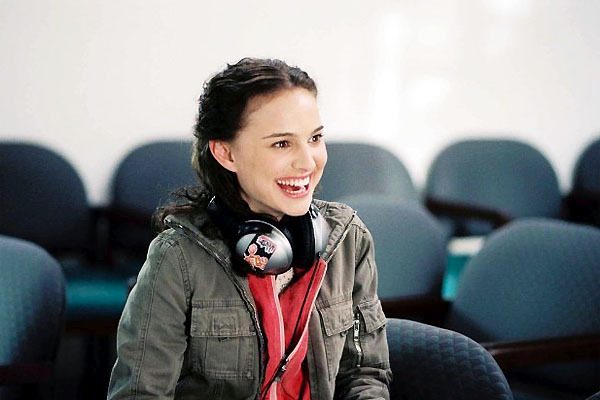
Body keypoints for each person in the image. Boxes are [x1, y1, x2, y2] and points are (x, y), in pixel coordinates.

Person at [107, 57, 391, 399]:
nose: (308, 161)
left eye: (315, 138)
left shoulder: (347, 239)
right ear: (226, 154)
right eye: (282, 143)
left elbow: (364, 374)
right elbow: (140, 394)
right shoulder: (178, 258)